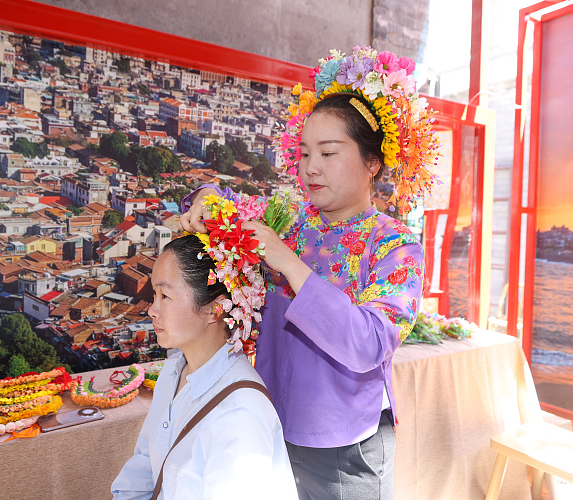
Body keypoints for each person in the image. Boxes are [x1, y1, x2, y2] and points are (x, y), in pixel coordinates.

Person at [180, 46, 437, 499]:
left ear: (372, 163)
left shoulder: (395, 244)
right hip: (273, 420)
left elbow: (371, 343)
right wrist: (204, 198)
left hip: (345, 446)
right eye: (303, 153)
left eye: (329, 152)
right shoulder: (289, 221)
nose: (310, 167)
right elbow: (223, 205)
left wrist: (289, 264)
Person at [111, 234, 298, 500]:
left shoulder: (239, 413)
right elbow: (145, 467)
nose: (153, 310)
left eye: (165, 295)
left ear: (216, 309)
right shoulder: (173, 370)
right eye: (155, 294)